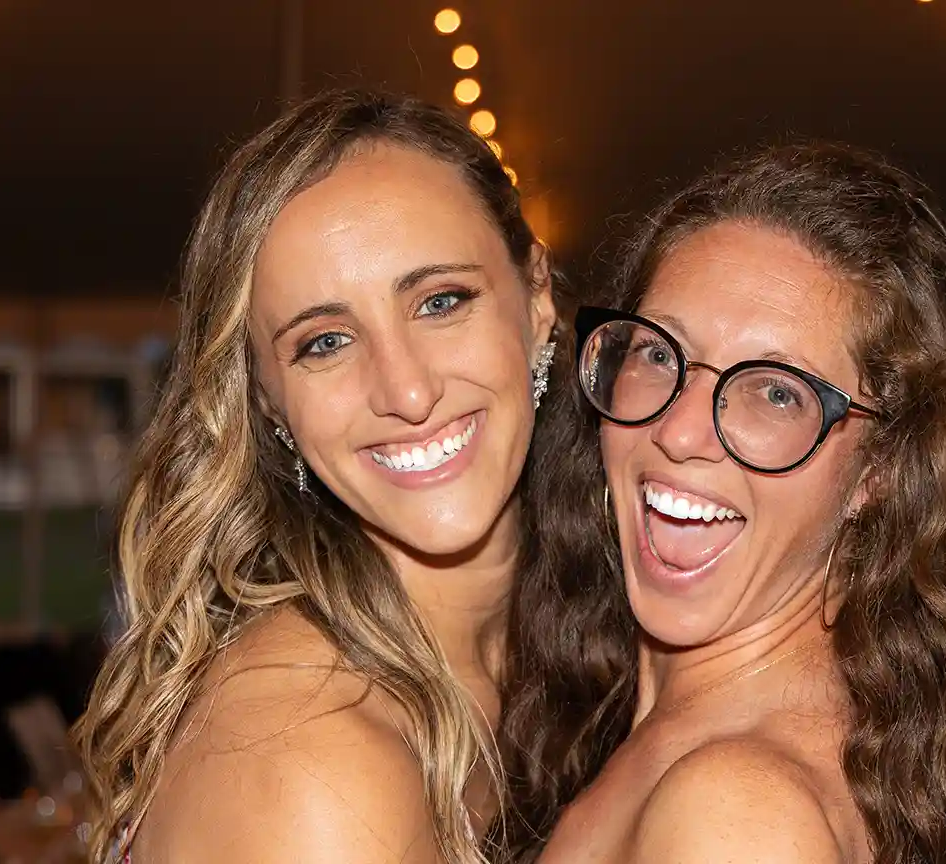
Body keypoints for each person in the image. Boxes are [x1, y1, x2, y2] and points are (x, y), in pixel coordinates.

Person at [74, 90, 604, 863]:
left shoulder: (573, 638)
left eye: (441, 301)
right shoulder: (309, 758)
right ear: (268, 400)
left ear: (536, 299)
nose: (407, 392)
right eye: (324, 343)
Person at [494, 143, 946, 864]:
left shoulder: (736, 813)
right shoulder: (652, 732)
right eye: (656, 354)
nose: (678, 431)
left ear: (882, 468)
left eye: (776, 392)